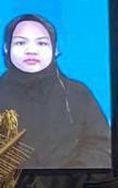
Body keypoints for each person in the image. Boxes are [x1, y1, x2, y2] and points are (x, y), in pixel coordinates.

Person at [0, 14, 109, 169]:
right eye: (21, 42)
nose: (31, 50)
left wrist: (67, 178)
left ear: (55, 49)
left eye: (42, 43)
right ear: (6, 47)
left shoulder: (78, 94)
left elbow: (101, 146)